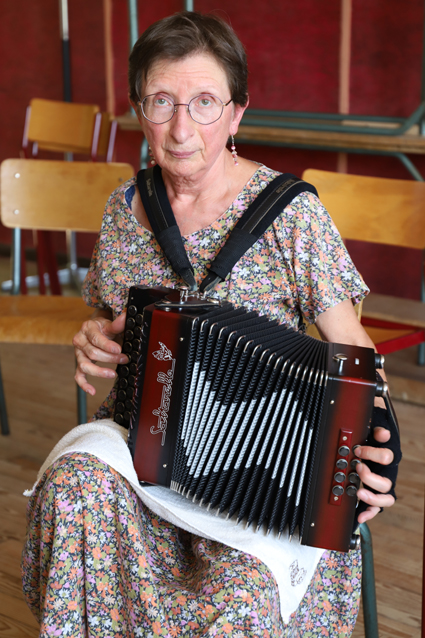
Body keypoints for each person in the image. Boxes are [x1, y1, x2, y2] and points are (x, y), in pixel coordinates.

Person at [22, 11, 398, 637]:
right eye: (161, 102)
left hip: (264, 478)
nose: (181, 128)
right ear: (139, 110)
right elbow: (107, 325)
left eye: (203, 103)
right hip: (143, 454)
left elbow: (355, 352)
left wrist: (381, 453)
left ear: (236, 113)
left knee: (240, 597)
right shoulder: (124, 210)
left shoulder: (291, 214)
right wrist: (92, 341)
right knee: (74, 486)